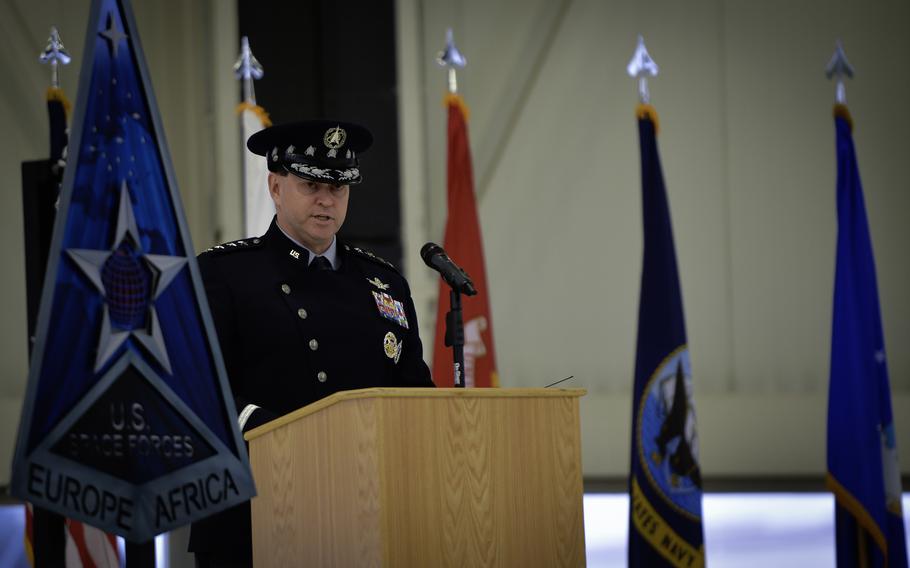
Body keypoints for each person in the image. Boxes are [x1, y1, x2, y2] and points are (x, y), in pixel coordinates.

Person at [188, 119, 434, 567]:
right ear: (275, 187)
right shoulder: (223, 274)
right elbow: (198, 385)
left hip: (366, 515)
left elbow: (414, 392)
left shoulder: (384, 282)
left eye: (338, 188)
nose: (326, 200)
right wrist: (282, 436)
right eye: (309, 185)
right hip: (255, 512)